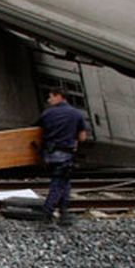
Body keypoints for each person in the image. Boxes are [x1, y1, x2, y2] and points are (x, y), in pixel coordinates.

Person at [36, 87, 88, 226]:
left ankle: (64, 213)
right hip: (65, 154)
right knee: (58, 185)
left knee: (64, 183)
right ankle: (46, 214)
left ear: (59, 96)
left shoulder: (47, 114)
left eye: (50, 97)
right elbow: (82, 137)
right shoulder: (76, 114)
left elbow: (37, 131)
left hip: (49, 154)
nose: (49, 100)